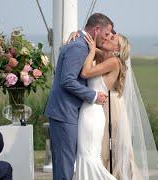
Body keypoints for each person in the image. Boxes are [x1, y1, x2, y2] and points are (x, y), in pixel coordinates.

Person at [74, 27, 158, 179]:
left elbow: (86, 73)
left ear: (117, 48)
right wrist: (77, 34)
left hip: (95, 111)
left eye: (112, 39)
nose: (108, 38)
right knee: (89, 155)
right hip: (89, 109)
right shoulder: (107, 56)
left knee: (92, 155)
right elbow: (89, 45)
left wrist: (92, 50)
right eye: (109, 36)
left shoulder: (114, 62)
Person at [44, 13, 112, 180]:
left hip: (68, 112)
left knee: (65, 164)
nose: (106, 38)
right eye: (105, 34)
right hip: (64, 112)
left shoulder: (81, 43)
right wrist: (93, 95)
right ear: (96, 29)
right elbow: (67, 80)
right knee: (64, 167)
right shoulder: (79, 46)